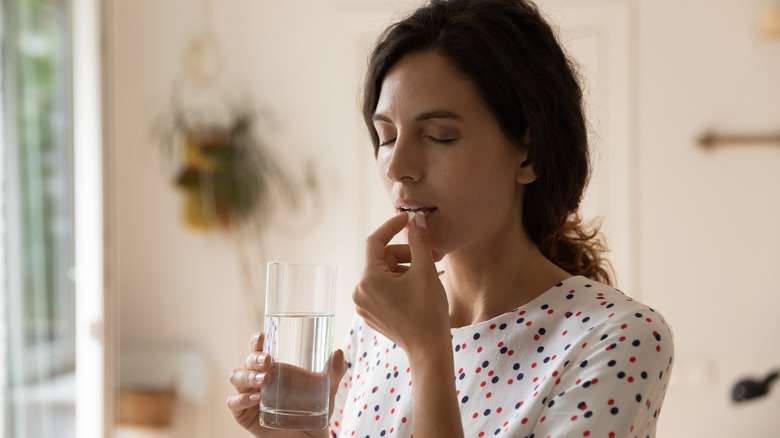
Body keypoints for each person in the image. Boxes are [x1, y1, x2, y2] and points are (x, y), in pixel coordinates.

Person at [227, 0, 674, 436]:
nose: (398, 166)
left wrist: (427, 350)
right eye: (386, 136)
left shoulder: (618, 337)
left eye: (439, 136)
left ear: (529, 155)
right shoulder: (377, 329)